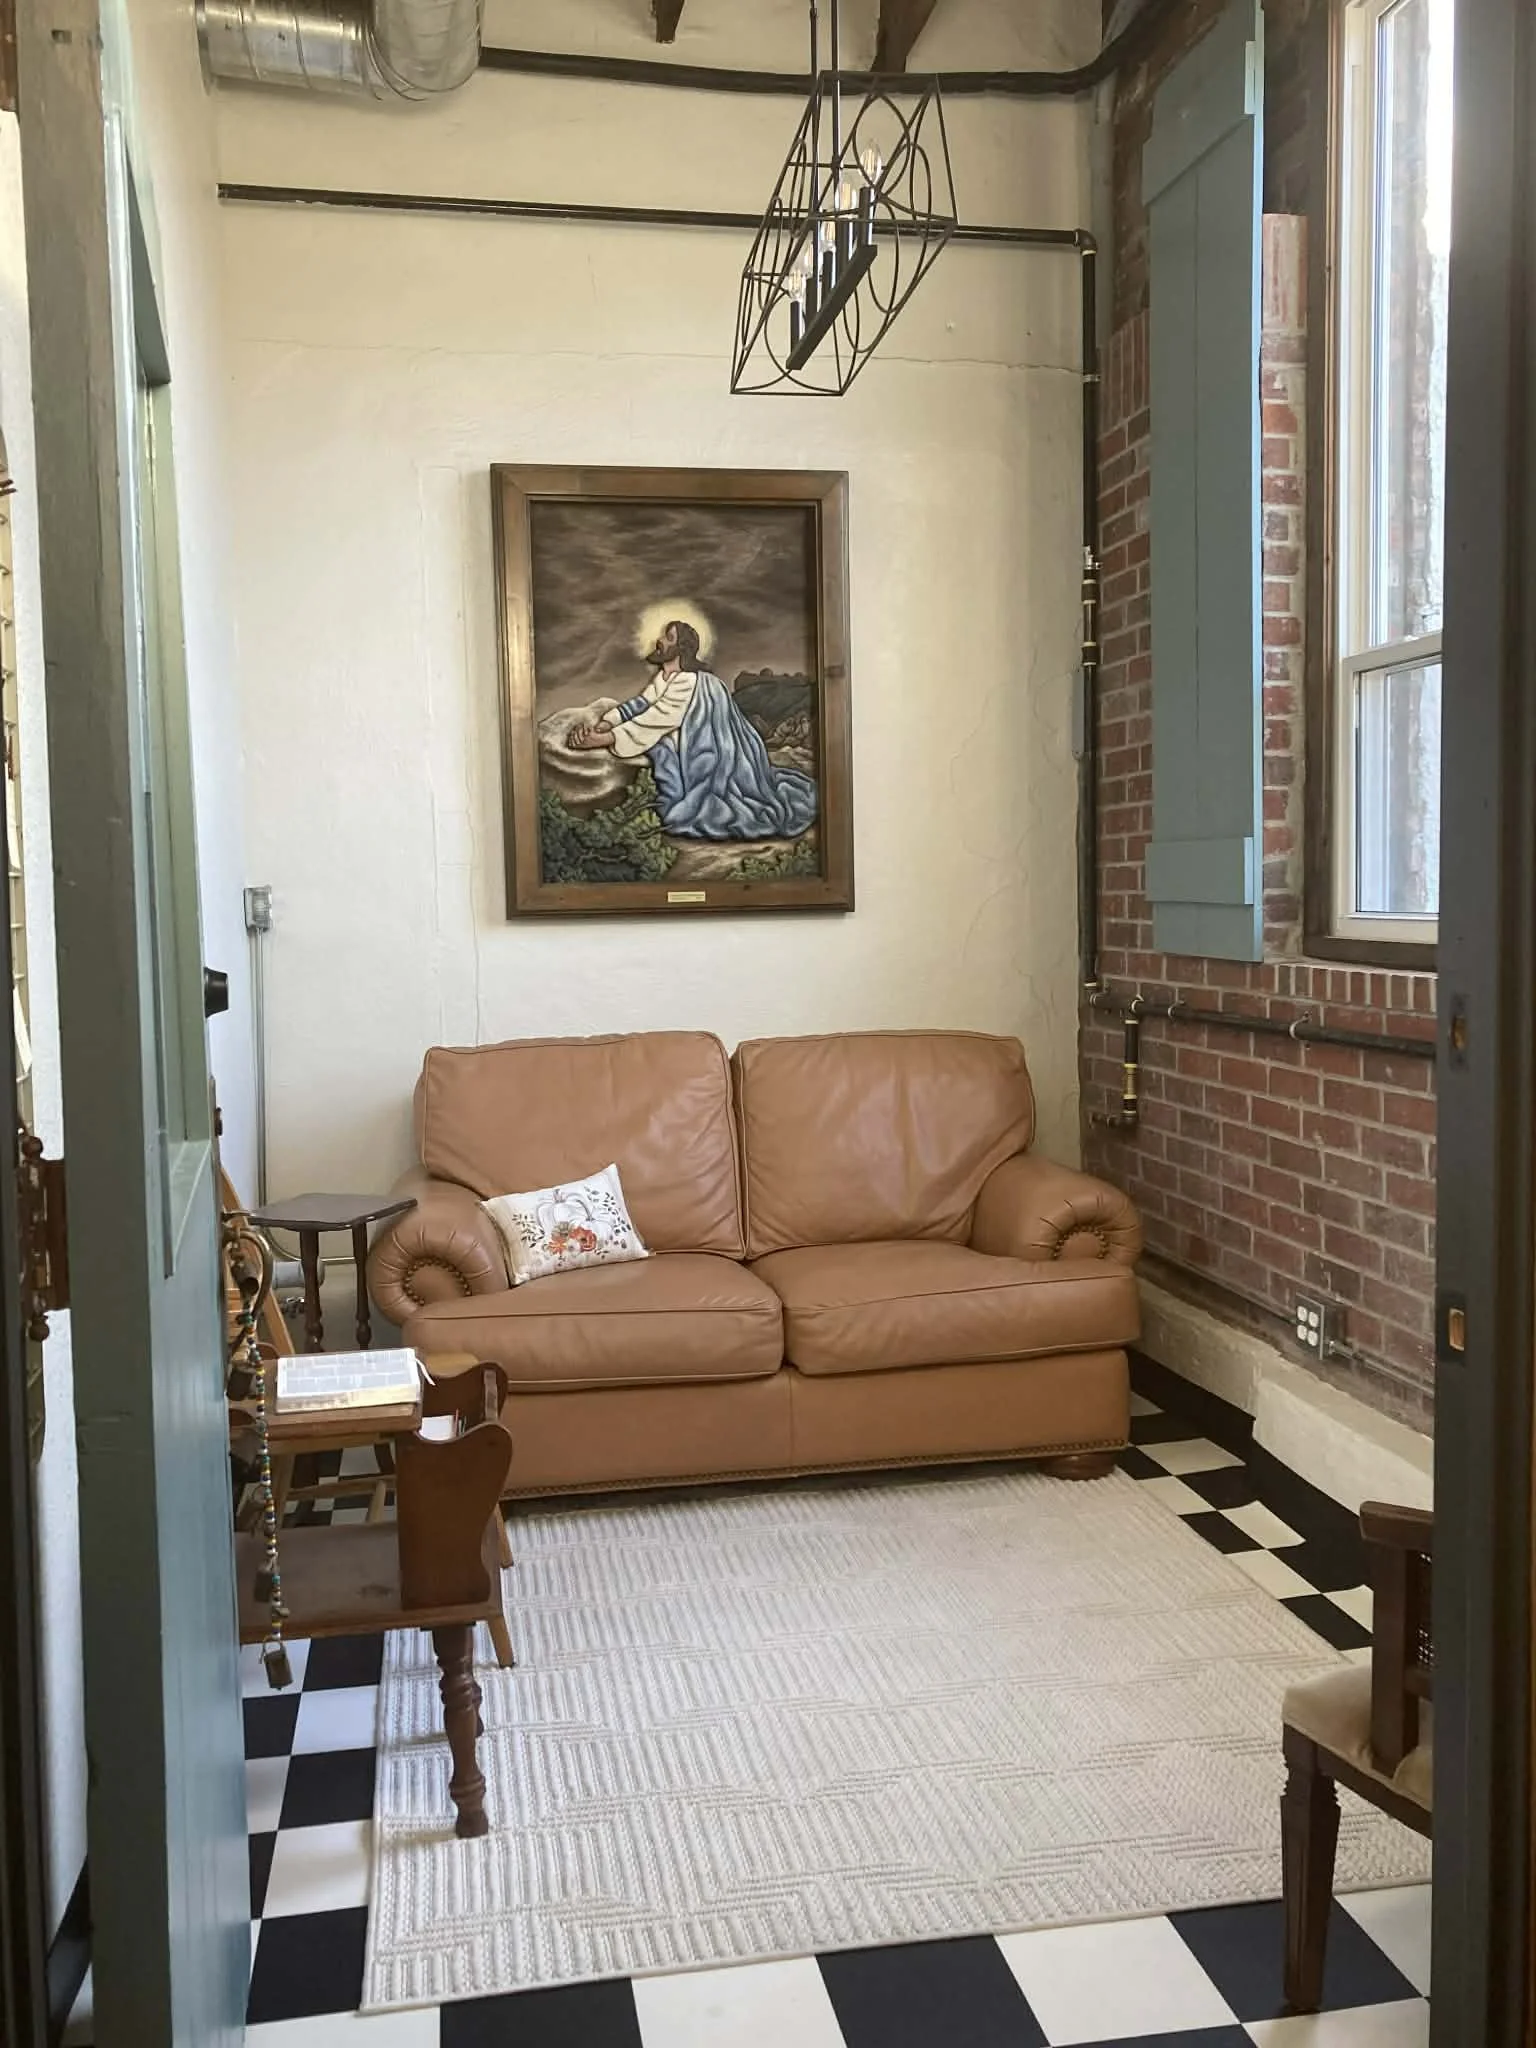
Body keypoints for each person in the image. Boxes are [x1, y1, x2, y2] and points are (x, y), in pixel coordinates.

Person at [568, 618, 817, 841]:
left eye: (668, 638)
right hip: (681, 735)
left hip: (712, 753)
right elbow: (642, 704)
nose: (660, 641)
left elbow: (658, 717)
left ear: (681, 649)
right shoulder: (665, 678)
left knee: (703, 801)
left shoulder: (687, 681)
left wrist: (604, 739)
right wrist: (607, 722)